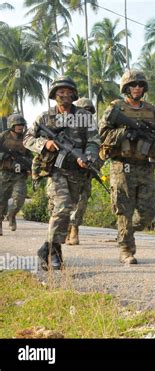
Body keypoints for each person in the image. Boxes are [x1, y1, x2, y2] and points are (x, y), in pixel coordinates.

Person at [23, 76, 100, 270]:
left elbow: (94, 140)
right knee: (63, 207)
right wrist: (44, 143)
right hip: (55, 170)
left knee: (66, 213)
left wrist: (88, 156)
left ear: (73, 94)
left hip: (77, 172)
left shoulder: (85, 116)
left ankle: (46, 248)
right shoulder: (45, 117)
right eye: (60, 92)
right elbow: (27, 138)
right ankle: (53, 253)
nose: (64, 95)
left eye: (68, 92)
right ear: (54, 95)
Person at [99, 70, 155, 265]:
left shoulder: (151, 110)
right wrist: (125, 133)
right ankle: (126, 250)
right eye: (133, 85)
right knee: (124, 209)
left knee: (148, 212)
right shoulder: (116, 109)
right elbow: (102, 135)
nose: (137, 88)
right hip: (122, 166)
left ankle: (127, 231)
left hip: (145, 166)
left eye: (140, 85)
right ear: (126, 87)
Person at [66, 98, 100, 245]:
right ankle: (64, 227)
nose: (87, 114)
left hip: (84, 172)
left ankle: (74, 228)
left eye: (89, 111)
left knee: (82, 201)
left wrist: (93, 164)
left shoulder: (94, 130)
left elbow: (100, 150)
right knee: (61, 203)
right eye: (84, 110)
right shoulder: (66, 127)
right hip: (64, 172)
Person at [0, 114, 32, 235]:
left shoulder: (26, 138)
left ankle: (12, 215)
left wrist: (29, 166)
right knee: (1, 201)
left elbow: (30, 155)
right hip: (4, 174)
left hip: (20, 175)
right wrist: (4, 156)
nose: (20, 127)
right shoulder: (3, 137)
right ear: (11, 126)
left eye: (22, 124)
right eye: (18, 125)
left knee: (19, 199)